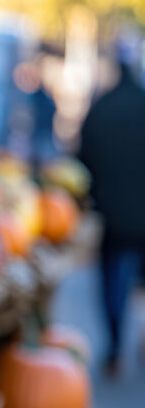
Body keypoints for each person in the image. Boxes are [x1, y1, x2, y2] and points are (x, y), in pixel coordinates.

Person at [77, 42, 145, 377]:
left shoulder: (102, 107)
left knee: (114, 279)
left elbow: (82, 158)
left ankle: (116, 347)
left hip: (115, 213)